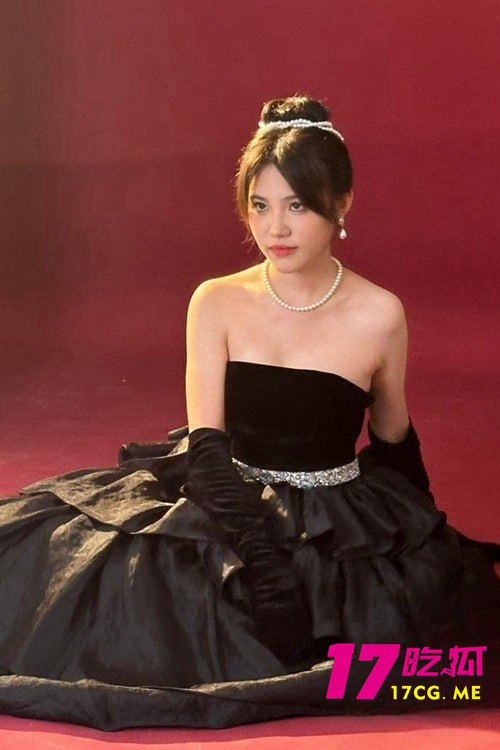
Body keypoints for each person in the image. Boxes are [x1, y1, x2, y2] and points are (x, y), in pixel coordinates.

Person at [0, 95, 498, 730]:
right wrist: (264, 564)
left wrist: (432, 557)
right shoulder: (216, 301)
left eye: (298, 205)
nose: (275, 229)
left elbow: (393, 438)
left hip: (333, 518)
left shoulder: (381, 313)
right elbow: (207, 447)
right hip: (225, 501)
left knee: (428, 669)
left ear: (342, 203)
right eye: (260, 206)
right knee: (124, 612)